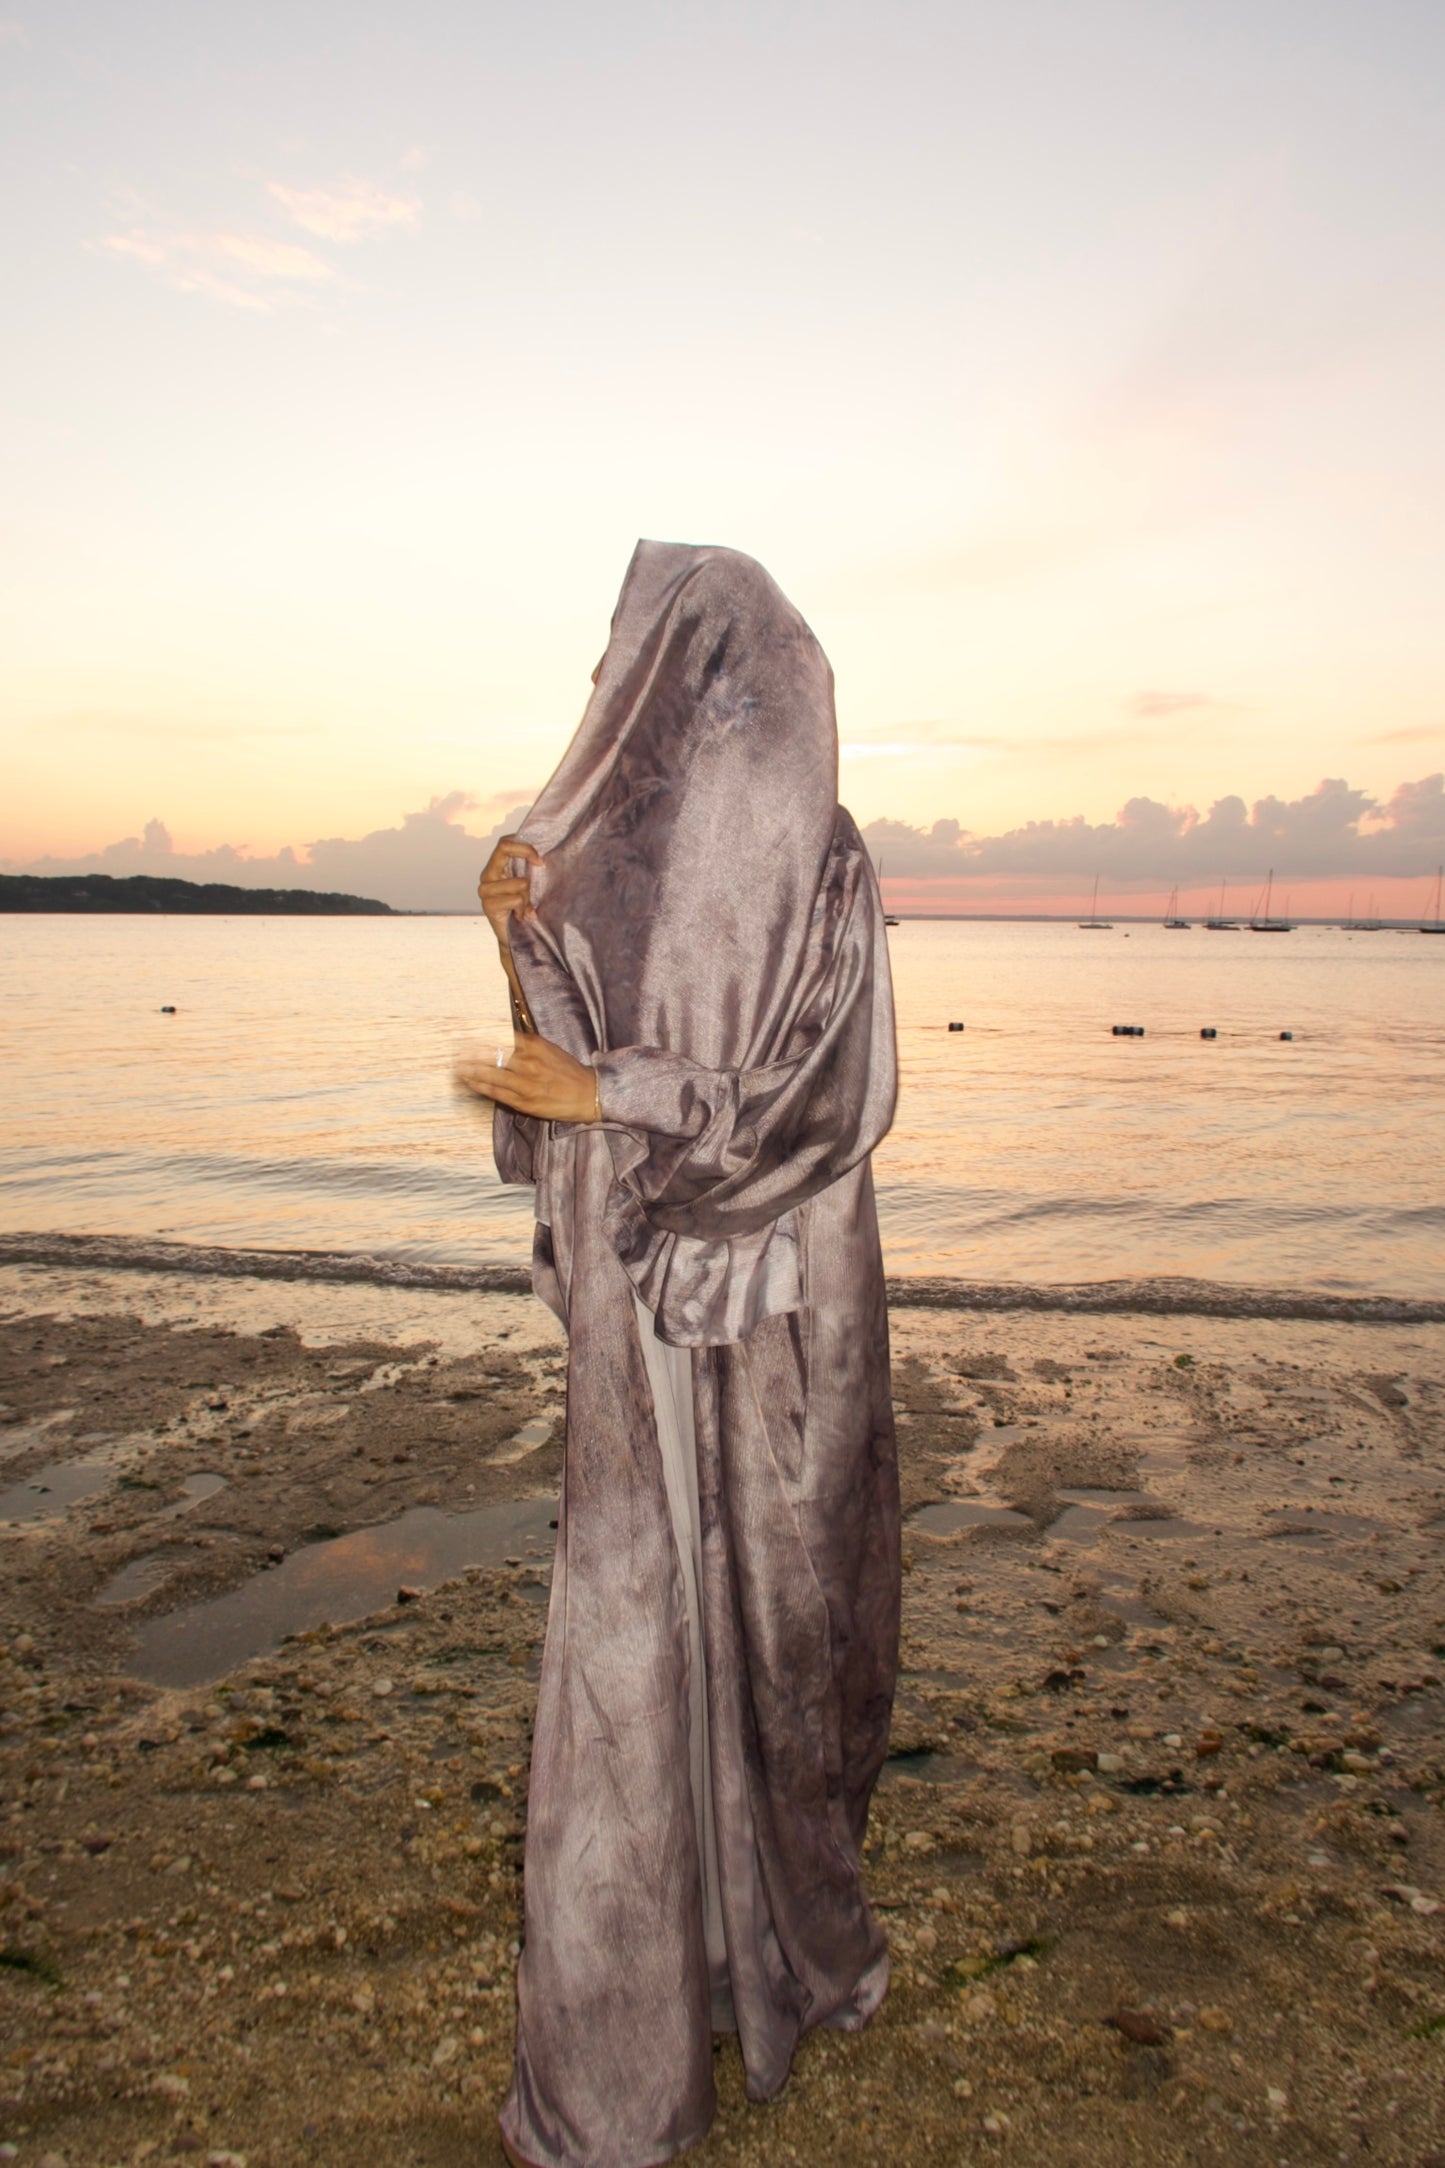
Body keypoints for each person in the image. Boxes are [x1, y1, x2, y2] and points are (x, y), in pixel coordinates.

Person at [457, 540, 900, 2168]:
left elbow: (819, 1109)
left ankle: (779, 1952)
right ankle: (631, 2057)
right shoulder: (616, 874)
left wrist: (618, 1095)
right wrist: (516, 927)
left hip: (787, 1319)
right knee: (642, 1651)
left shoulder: (832, 872)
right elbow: (541, 1086)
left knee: (787, 1646)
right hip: (649, 1345)